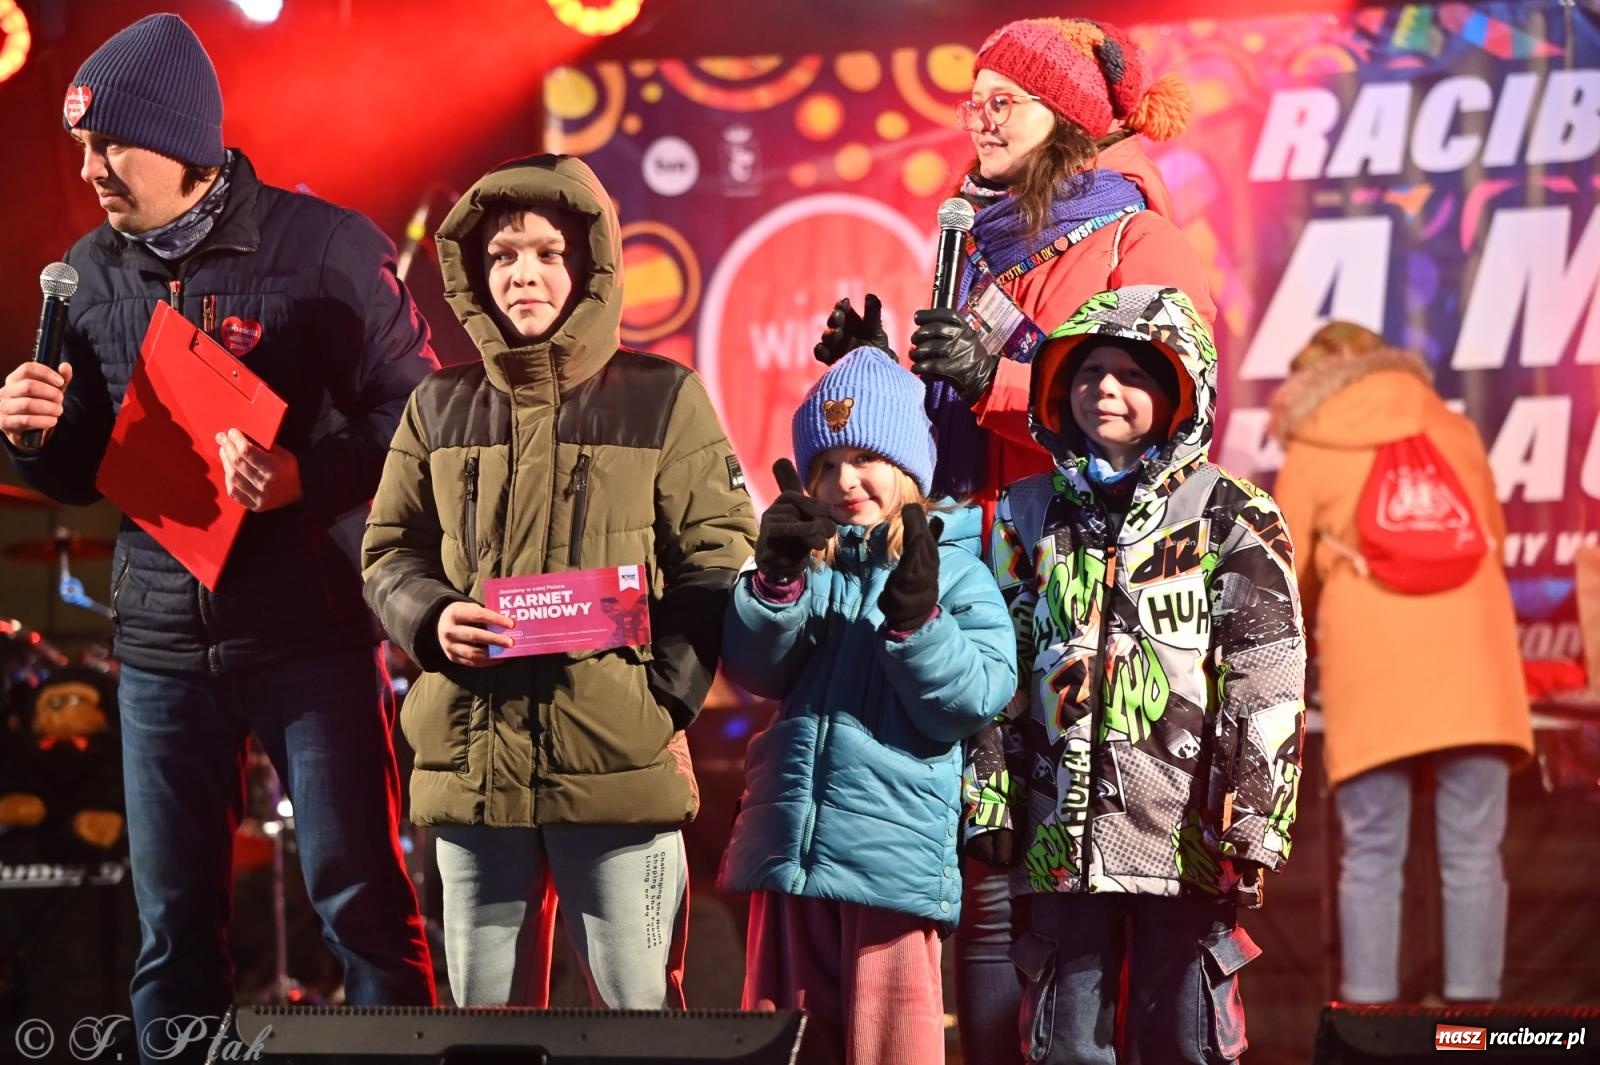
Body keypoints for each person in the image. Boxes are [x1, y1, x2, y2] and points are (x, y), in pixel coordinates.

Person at [0, 14, 437, 1058]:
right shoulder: (83, 271)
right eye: (79, 148)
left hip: (311, 637)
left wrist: (302, 476)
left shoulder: (325, 246)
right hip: (158, 650)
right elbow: (81, 469)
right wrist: (33, 440)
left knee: (364, 911)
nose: (91, 168)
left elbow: (421, 420)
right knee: (172, 935)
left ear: (184, 142)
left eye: (110, 146)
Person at [814, 23, 1218, 1060]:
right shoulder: (978, 245)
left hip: (1100, 607)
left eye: (1008, 99)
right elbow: (964, 448)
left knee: (1096, 902)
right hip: (987, 579)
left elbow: (1166, 418)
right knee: (991, 879)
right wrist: (885, 381)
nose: (978, 115)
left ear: (1072, 125)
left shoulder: (1143, 246)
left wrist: (988, 377)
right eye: (974, 95)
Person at [360, 153, 757, 1008]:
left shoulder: (664, 396)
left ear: (590, 266)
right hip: (470, 765)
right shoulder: (437, 404)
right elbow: (388, 549)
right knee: (484, 1035)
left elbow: (718, 558)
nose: (523, 274)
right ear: (474, 271)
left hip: (617, 767)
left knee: (639, 1025)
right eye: (502, 256)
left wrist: (665, 699)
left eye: (546, 252)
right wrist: (430, 619)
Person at [988, 285, 1305, 1064]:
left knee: (1188, 1043)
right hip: (1061, 840)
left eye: (1133, 374)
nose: (1106, 389)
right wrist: (989, 798)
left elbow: (1267, 678)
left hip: (1190, 842)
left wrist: (1254, 821)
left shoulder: (1234, 511)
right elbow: (995, 673)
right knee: (1063, 1046)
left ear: (1179, 393)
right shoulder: (1022, 513)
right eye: (1090, 371)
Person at [718, 345, 1016, 1064]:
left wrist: (918, 621)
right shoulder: (807, 564)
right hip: (789, 856)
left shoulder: (956, 568)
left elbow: (976, 694)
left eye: (864, 457)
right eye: (825, 464)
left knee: (890, 1049)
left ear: (909, 469)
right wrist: (775, 584)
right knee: (781, 1045)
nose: (843, 479)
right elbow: (755, 666)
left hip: (891, 867)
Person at [1269, 322, 1533, 1005]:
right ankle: (1474, 1022)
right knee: (1475, 850)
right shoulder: (1452, 426)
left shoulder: (1313, 438)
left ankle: (1370, 1021)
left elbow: (1284, 575)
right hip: (1478, 660)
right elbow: (1491, 537)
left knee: (1372, 852)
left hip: (1373, 666)